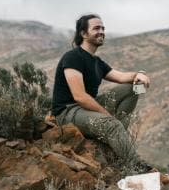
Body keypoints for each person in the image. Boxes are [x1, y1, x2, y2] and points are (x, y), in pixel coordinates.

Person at [52, 13, 155, 172]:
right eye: (96, 28)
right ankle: (135, 165)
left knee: (133, 87)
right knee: (112, 124)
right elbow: (80, 97)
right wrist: (106, 115)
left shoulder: (97, 62)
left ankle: (116, 132)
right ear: (83, 33)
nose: (101, 31)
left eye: (103, 28)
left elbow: (121, 77)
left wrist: (139, 74)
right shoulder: (73, 57)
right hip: (69, 111)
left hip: (87, 110)